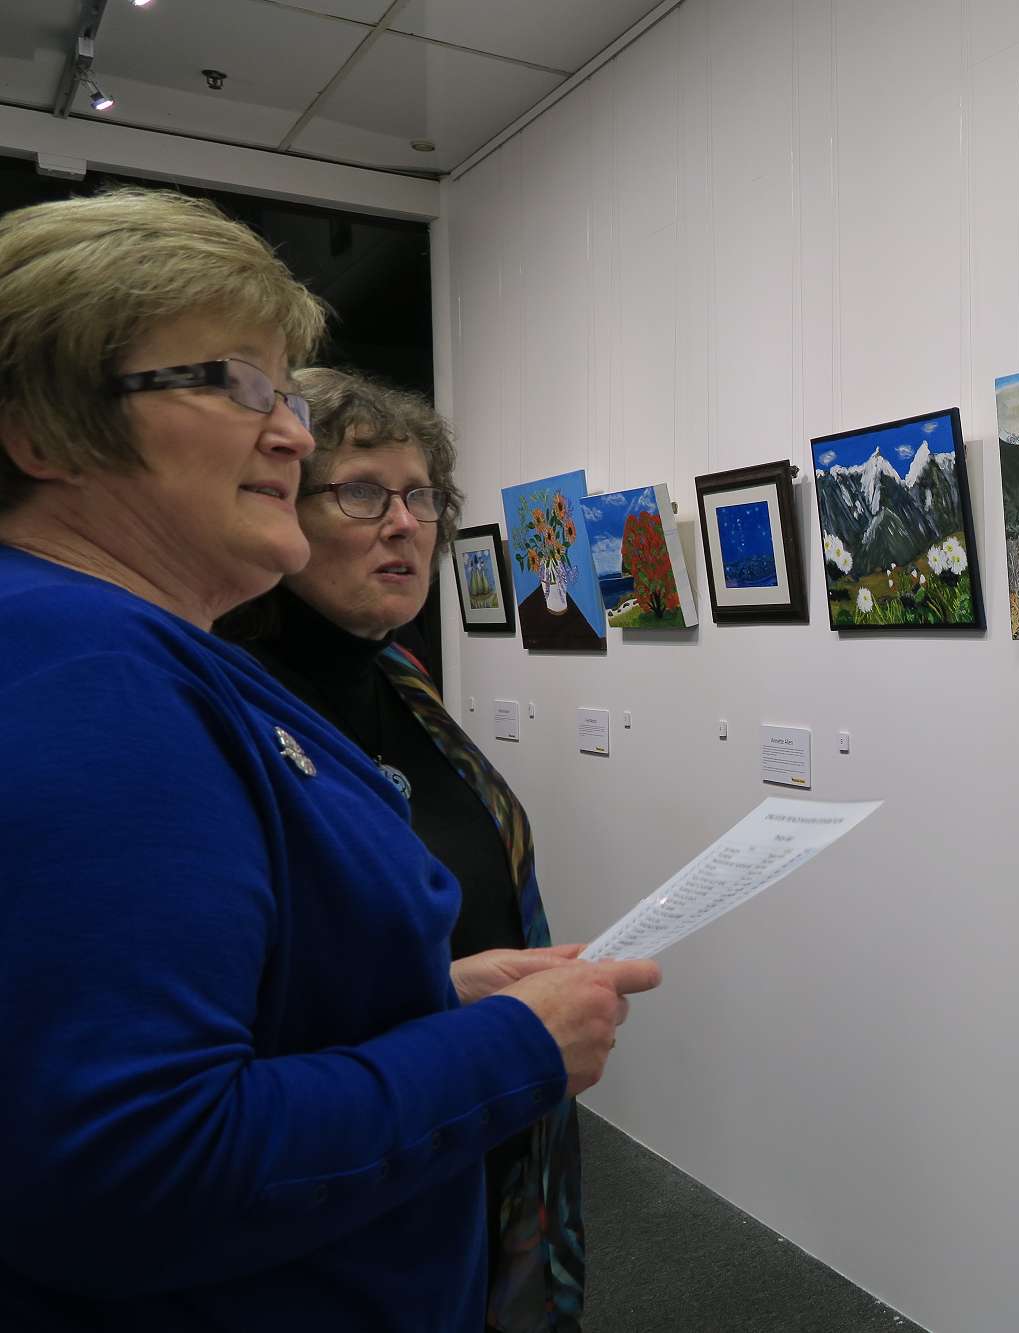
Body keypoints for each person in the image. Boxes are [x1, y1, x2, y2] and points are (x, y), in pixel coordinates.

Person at [0, 188, 660, 1332]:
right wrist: (511, 1047)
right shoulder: (91, 671)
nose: (292, 434)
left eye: (286, 393)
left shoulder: (142, 655)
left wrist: (433, 993)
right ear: (45, 435)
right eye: (234, 382)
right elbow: (138, 1167)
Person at [221, 368, 587, 1331]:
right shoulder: (226, 702)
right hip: (338, 1183)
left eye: (422, 496)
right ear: (274, 503)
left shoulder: (402, 680)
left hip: (478, 1119)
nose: (405, 524)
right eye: (361, 492)